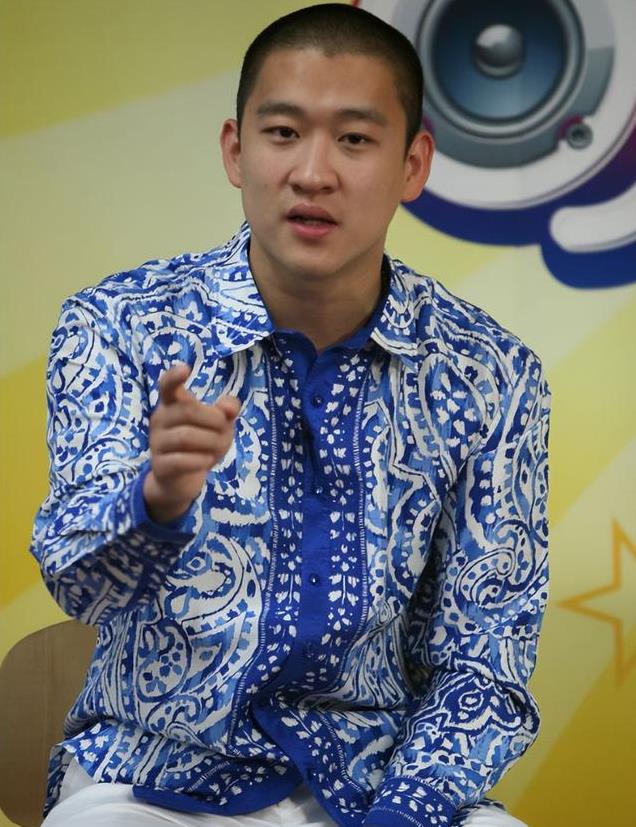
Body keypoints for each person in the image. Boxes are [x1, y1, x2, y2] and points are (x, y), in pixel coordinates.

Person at [31, 4, 550, 827]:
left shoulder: (491, 373)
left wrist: (403, 813)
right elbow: (78, 584)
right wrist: (155, 500)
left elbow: (484, 660)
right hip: (153, 776)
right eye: (282, 132)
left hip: (376, 784)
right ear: (236, 151)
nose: (313, 172)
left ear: (413, 163)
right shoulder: (119, 325)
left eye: (354, 138)